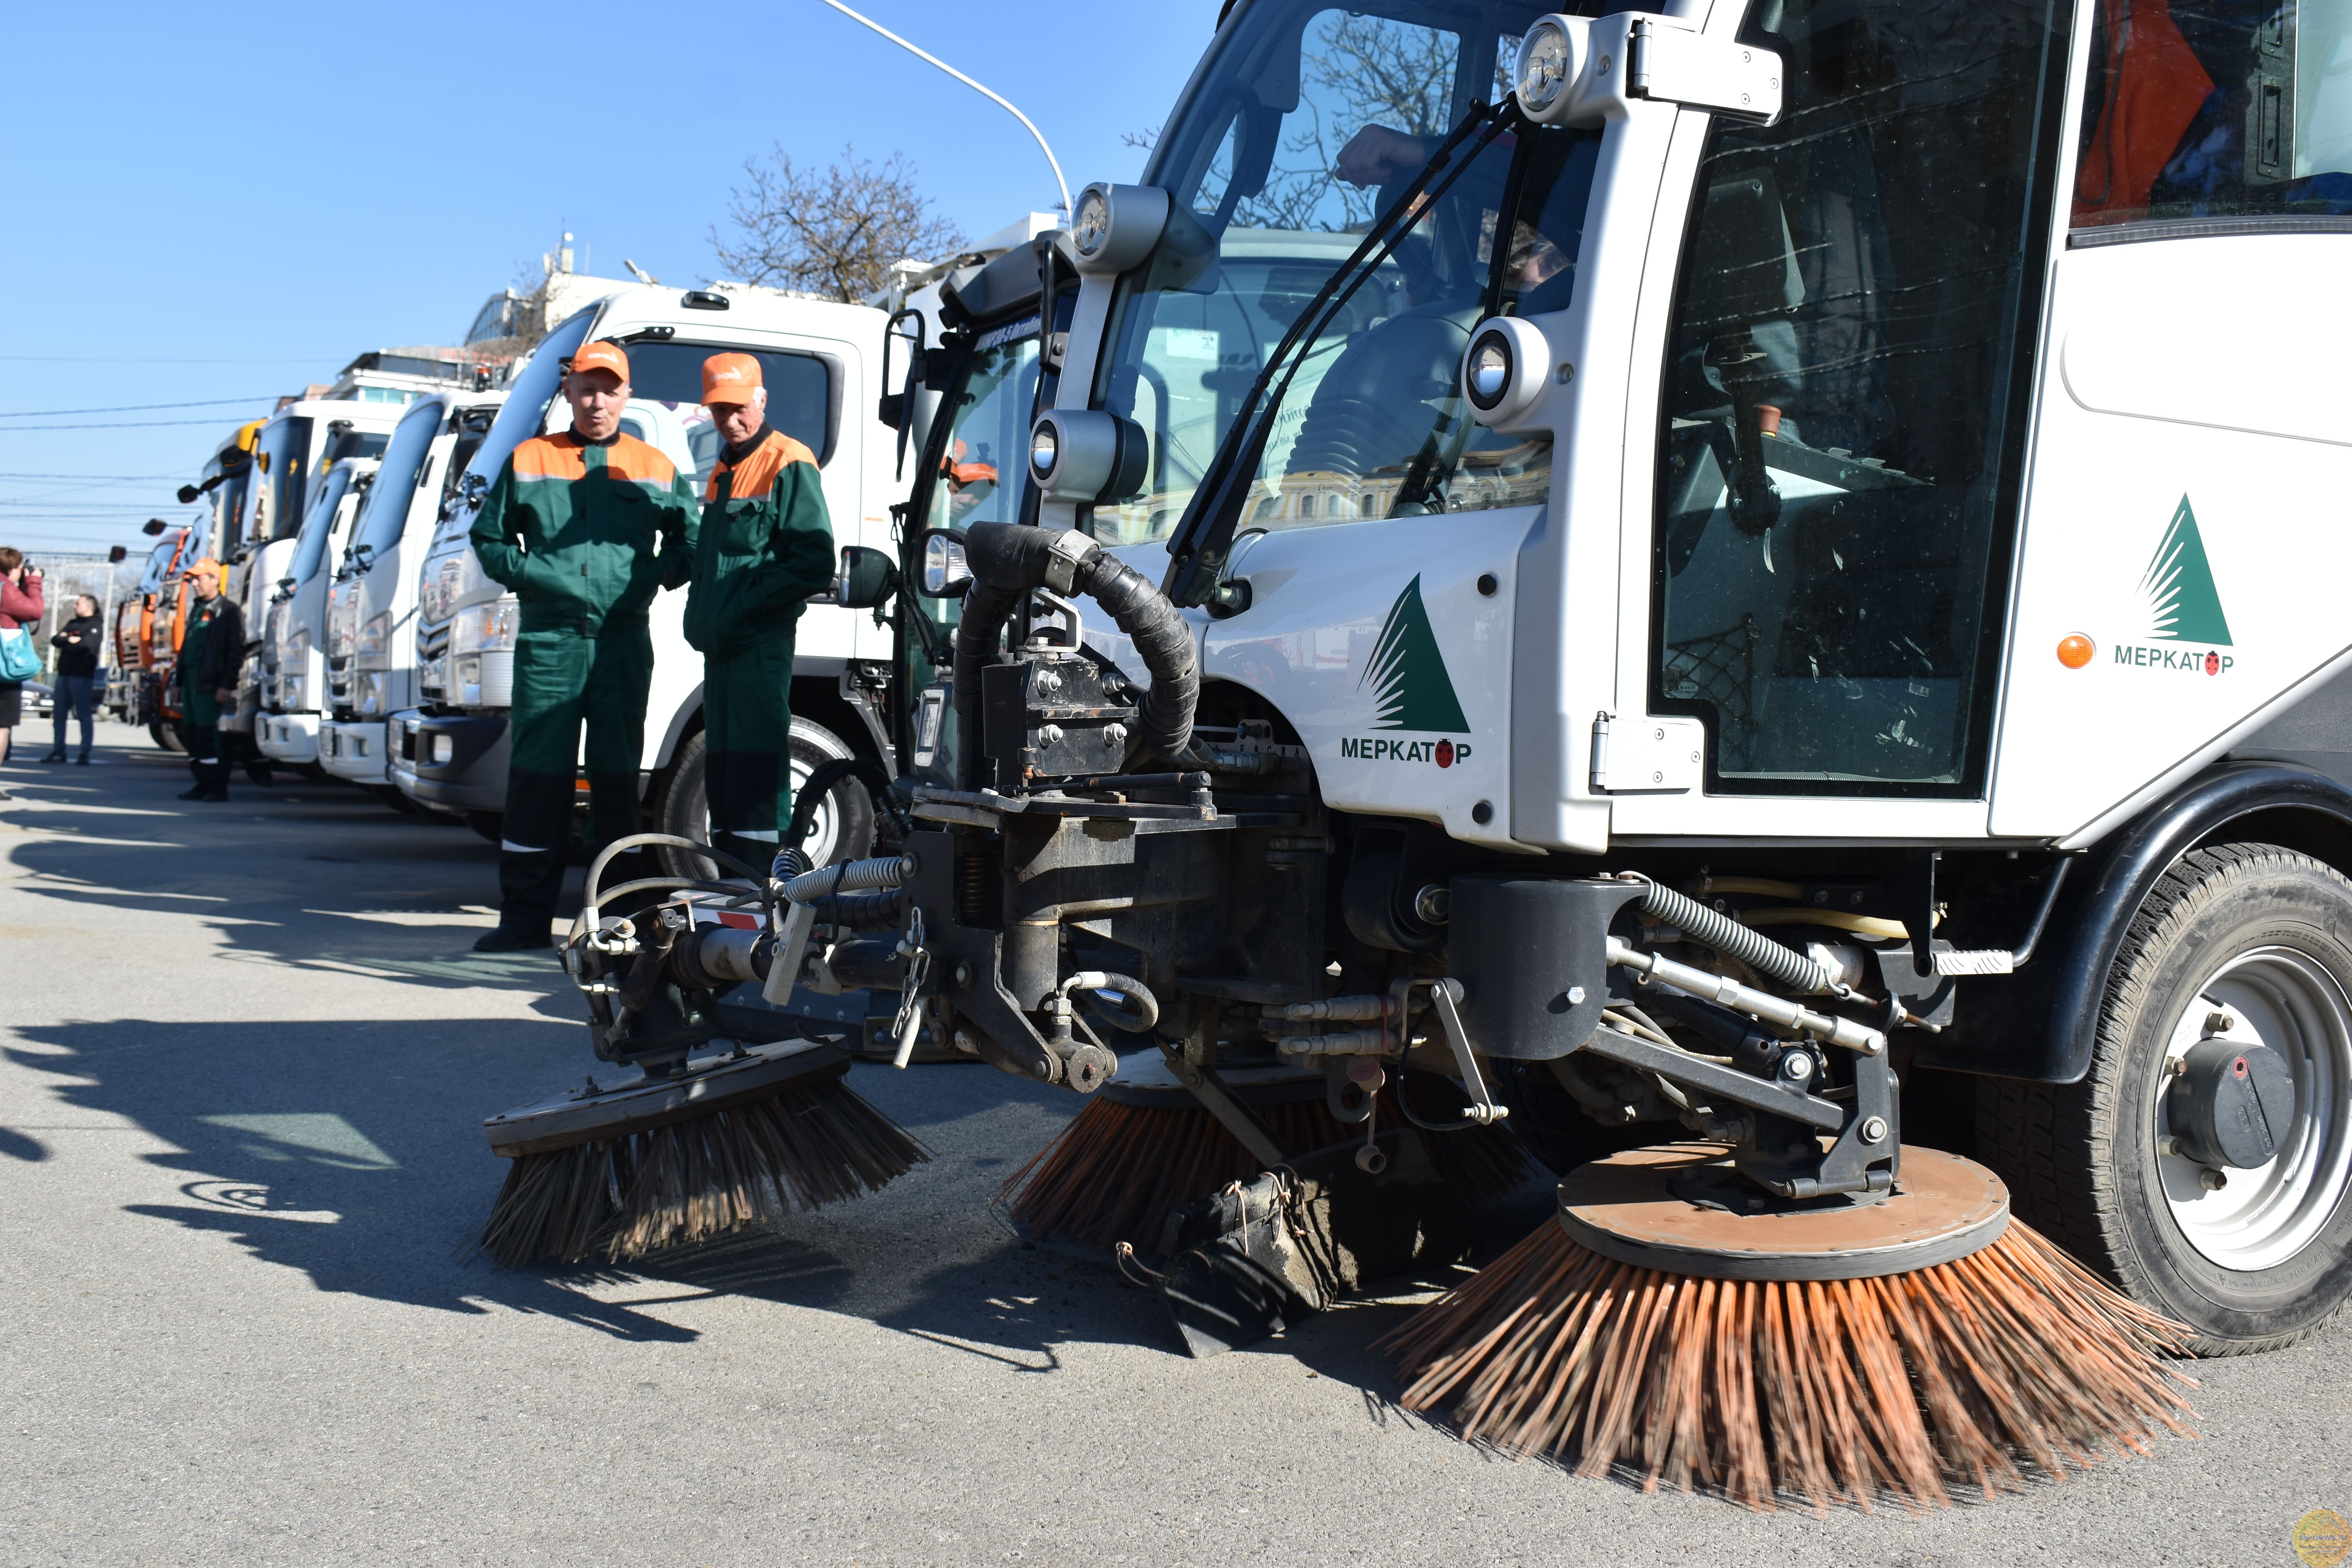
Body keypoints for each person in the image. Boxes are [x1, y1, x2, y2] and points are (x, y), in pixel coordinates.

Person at [468, 340, 697, 952]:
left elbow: (688, 544)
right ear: (568, 391)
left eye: (609, 388)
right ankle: (522, 921)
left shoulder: (654, 466)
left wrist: (647, 578)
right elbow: (488, 539)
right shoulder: (530, 459)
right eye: (586, 388)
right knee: (537, 781)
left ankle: (618, 923)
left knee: (617, 784)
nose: (597, 400)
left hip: (623, 642)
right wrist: (535, 576)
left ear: (627, 395)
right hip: (550, 642)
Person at [684, 352, 836, 874]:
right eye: (720, 410)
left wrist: (744, 606)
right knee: (726, 785)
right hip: (723, 652)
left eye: (740, 407)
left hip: (757, 647)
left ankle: (763, 900)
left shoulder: (787, 460)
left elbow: (814, 562)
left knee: (755, 786)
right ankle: (734, 899)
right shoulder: (723, 470)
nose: (731, 419)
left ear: (762, 399)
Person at [176, 561, 241, 802]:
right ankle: (201, 783)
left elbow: (235, 652)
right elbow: (186, 650)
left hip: (210, 684)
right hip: (191, 683)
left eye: (199, 579)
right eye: (192, 579)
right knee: (193, 734)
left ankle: (217, 786)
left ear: (215, 579)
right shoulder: (196, 610)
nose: (194, 584)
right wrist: (178, 682)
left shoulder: (228, 611)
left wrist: (226, 685)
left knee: (209, 735)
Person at [0, 548, 43, 798]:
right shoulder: (5, 589)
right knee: (2, 726)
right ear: (11, 568)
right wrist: (34, 583)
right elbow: (34, 611)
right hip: (4, 668)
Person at [44, 593, 102, 765]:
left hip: (81, 677)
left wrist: (67, 641)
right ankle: (59, 751)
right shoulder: (72, 624)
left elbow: (86, 646)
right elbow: (55, 640)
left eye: (78, 604)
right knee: (59, 716)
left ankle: (85, 753)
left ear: (88, 606)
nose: (75, 606)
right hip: (64, 676)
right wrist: (70, 639)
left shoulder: (95, 626)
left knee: (83, 715)